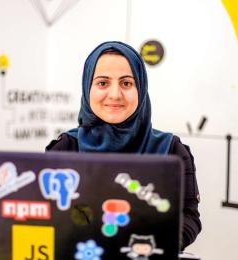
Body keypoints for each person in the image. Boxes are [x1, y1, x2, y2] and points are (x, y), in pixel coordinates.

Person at [46, 41, 201, 250]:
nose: (115, 94)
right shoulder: (65, 148)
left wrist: (155, 248)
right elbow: (47, 216)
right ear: (87, 88)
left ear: (141, 88)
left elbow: (189, 216)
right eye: (102, 83)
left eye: (127, 83)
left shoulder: (172, 150)